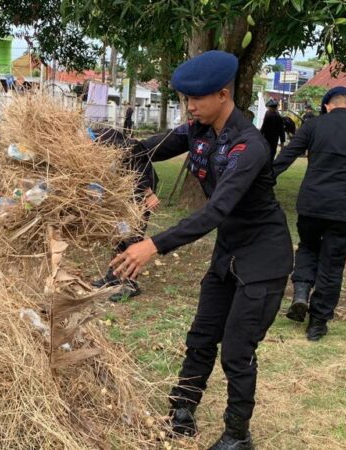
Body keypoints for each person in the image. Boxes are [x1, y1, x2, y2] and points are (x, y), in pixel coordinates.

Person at [110, 50, 293, 450]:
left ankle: (237, 435)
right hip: (228, 253)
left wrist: (153, 245)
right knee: (202, 336)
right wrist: (93, 153)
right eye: (185, 100)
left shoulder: (250, 146)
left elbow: (216, 210)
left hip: (263, 258)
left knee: (238, 349)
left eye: (197, 99)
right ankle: (182, 410)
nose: (189, 107)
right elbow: (143, 149)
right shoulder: (198, 130)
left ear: (224, 94)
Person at [273, 86, 346, 341]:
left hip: (311, 204)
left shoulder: (313, 125)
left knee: (307, 247)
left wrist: (263, 180)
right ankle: (317, 323)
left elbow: (287, 155)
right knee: (333, 262)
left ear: (327, 106)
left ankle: (302, 293)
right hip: (343, 209)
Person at [90, 127, 159, 302]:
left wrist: (148, 193)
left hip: (140, 191)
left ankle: (129, 283)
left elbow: (136, 159)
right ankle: (113, 277)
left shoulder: (105, 137)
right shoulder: (86, 145)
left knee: (131, 235)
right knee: (119, 233)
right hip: (122, 194)